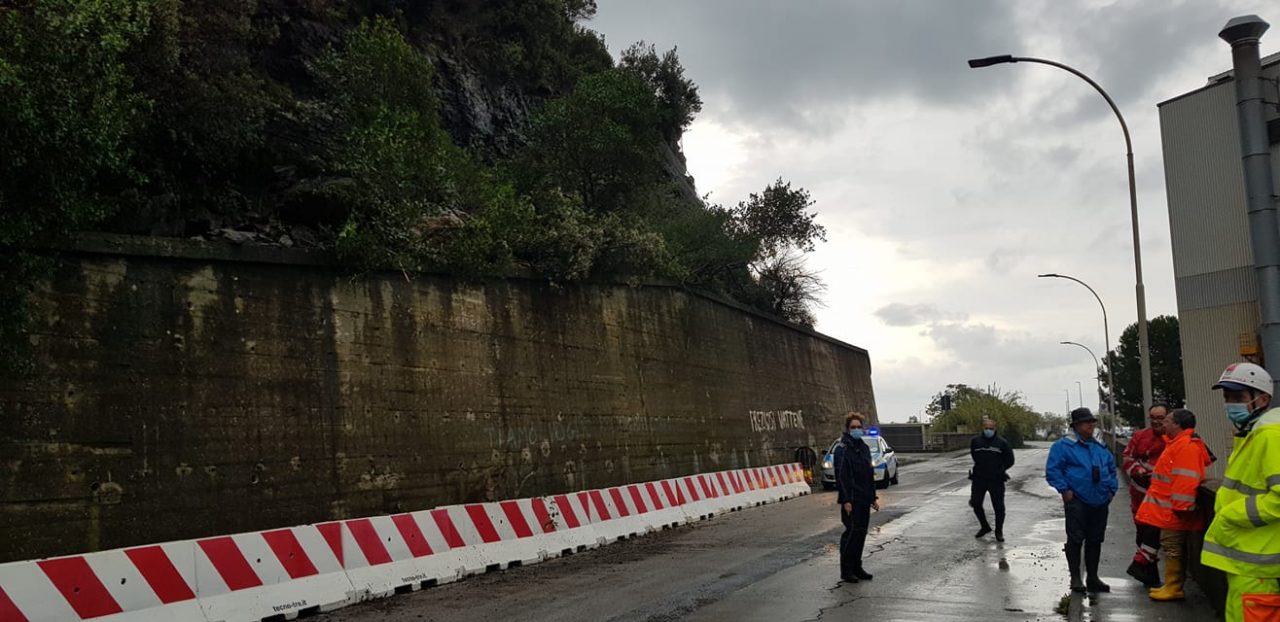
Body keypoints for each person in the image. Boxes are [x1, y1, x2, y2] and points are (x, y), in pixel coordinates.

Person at [1201, 362, 1280, 621]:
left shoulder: (1270, 436)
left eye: (1238, 397)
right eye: (1227, 397)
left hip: (1259, 566)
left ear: (1263, 399)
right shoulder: (1252, 435)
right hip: (1249, 562)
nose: (1230, 404)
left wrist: (1231, 514)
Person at [1135, 409, 1211, 601]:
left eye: (1167, 421)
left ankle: (1174, 587)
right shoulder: (1179, 444)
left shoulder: (1185, 446)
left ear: (1177, 424)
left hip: (1175, 510)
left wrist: (1181, 507)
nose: (1163, 424)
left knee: (1172, 547)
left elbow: (1185, 480)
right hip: (1171, 508)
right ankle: (1171, 585)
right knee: (1171, 546)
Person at [1046, 407, 1119, 593]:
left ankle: (1093, 577)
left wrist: (1111, 490)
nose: (1091, 426)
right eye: (1087, 423)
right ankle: (1076, 578)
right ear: (1076, 426)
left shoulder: (1100, 446)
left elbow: (1112, 469)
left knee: (1095, 539)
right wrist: (1065, 490)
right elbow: (1053, 470)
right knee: (1075, 538)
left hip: (1100, 499)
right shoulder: (1063, 446)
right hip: (1077, 499)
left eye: (1092, 422)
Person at [1122, 404, 1170, 587]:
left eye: (1160, 418)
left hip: (1163, 497)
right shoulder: (1140, 436)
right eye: (1153, 418)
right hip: (1140, 495)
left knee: (1157, 537)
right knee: (1142, 534)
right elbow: (1127, 457)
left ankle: (1145, 570)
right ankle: (1149, 576)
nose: (1156, 421)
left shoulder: (1175, 437)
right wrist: (1139, 471)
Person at [834, 411, 880, 584]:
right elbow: (842, 476)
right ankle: (847, 570)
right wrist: (846, 500)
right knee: (851, 534)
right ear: (847, 429)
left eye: (859, 427)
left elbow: (869, 474)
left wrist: (873, 497)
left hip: (864, 498)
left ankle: (857, 567)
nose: (856, 430)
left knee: (861, 534)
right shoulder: (842, 449)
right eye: (853, 427)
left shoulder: (864, 448)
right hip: (852, 499)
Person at [969, 417, 1015, 541]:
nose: (988, 430)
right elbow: (974, 455)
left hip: (996, 479)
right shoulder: (976, 441)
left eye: (991, 428)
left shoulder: (1002, 443)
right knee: (975, 503)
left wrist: (1000, 469)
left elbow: (1010, 460)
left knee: (998, 506)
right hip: (979, 478)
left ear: (995, 429)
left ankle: (998, 531)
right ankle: (984, 526)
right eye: (986, 428)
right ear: (982, 428)